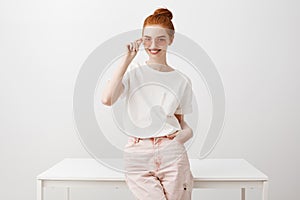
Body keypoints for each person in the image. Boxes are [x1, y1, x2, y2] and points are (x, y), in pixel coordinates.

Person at [102, 7, 194, 200]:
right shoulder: (132, 71)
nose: (153, 45)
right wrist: (126, 60)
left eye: (161, 38)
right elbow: (107, 99)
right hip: (138, 152)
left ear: (171, 39)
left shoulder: (182, 80)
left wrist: (182, 137)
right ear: (141, 39)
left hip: (172, 151)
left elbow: (179, 121)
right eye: (147, 38)